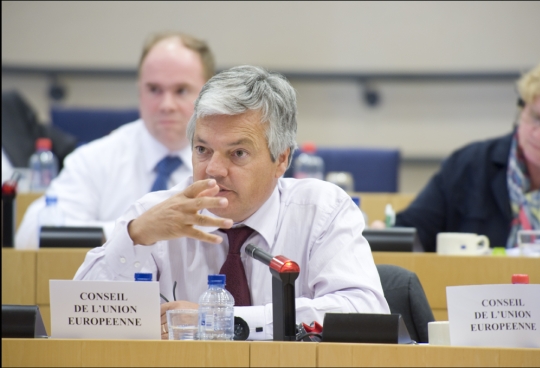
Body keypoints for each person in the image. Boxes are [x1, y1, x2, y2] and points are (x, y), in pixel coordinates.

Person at [74, 65, 390, 340]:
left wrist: (226, 322)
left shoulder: (321, 211)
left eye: (237, 153)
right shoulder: (153, 215)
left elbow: (365, 313)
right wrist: (135, 235)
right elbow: (78, 315)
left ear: (281, 159)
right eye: (202, 149)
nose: (213, 169)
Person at [15, 32, 214, 249]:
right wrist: (133, 231)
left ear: (208, 94)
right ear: (140, 91)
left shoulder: (228, 164)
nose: (166, 105)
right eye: (154, 89)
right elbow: (30, 236)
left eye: (181, 90)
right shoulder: (97, 158)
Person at [387, 60, 540, 252]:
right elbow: (412, 231)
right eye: (536, 117)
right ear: (522, 108)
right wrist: (385, 235)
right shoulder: (469, 164)